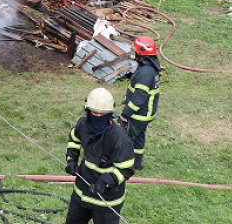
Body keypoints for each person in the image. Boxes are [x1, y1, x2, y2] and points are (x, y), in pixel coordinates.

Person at [65, 87, 135, 224]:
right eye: (94, 112)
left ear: (109, 114)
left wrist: (107, 181)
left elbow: (126, 169)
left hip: (107, 201)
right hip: (82, 194)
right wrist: (71, 160)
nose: (97, 116)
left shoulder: (119, 138)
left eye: (101, 113)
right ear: (87, 111)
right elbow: (74, 140)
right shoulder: (82, 125)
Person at [119, 36, 161, 170]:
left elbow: (139, 97)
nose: (134, 54)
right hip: (146, 114)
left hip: (138, 115)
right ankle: (136, 164)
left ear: (141, 54)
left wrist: (125, 113)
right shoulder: (150, 69)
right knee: (138, 139)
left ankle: (125, 166)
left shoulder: (145, 73)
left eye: (136, 52)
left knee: (125, 139)